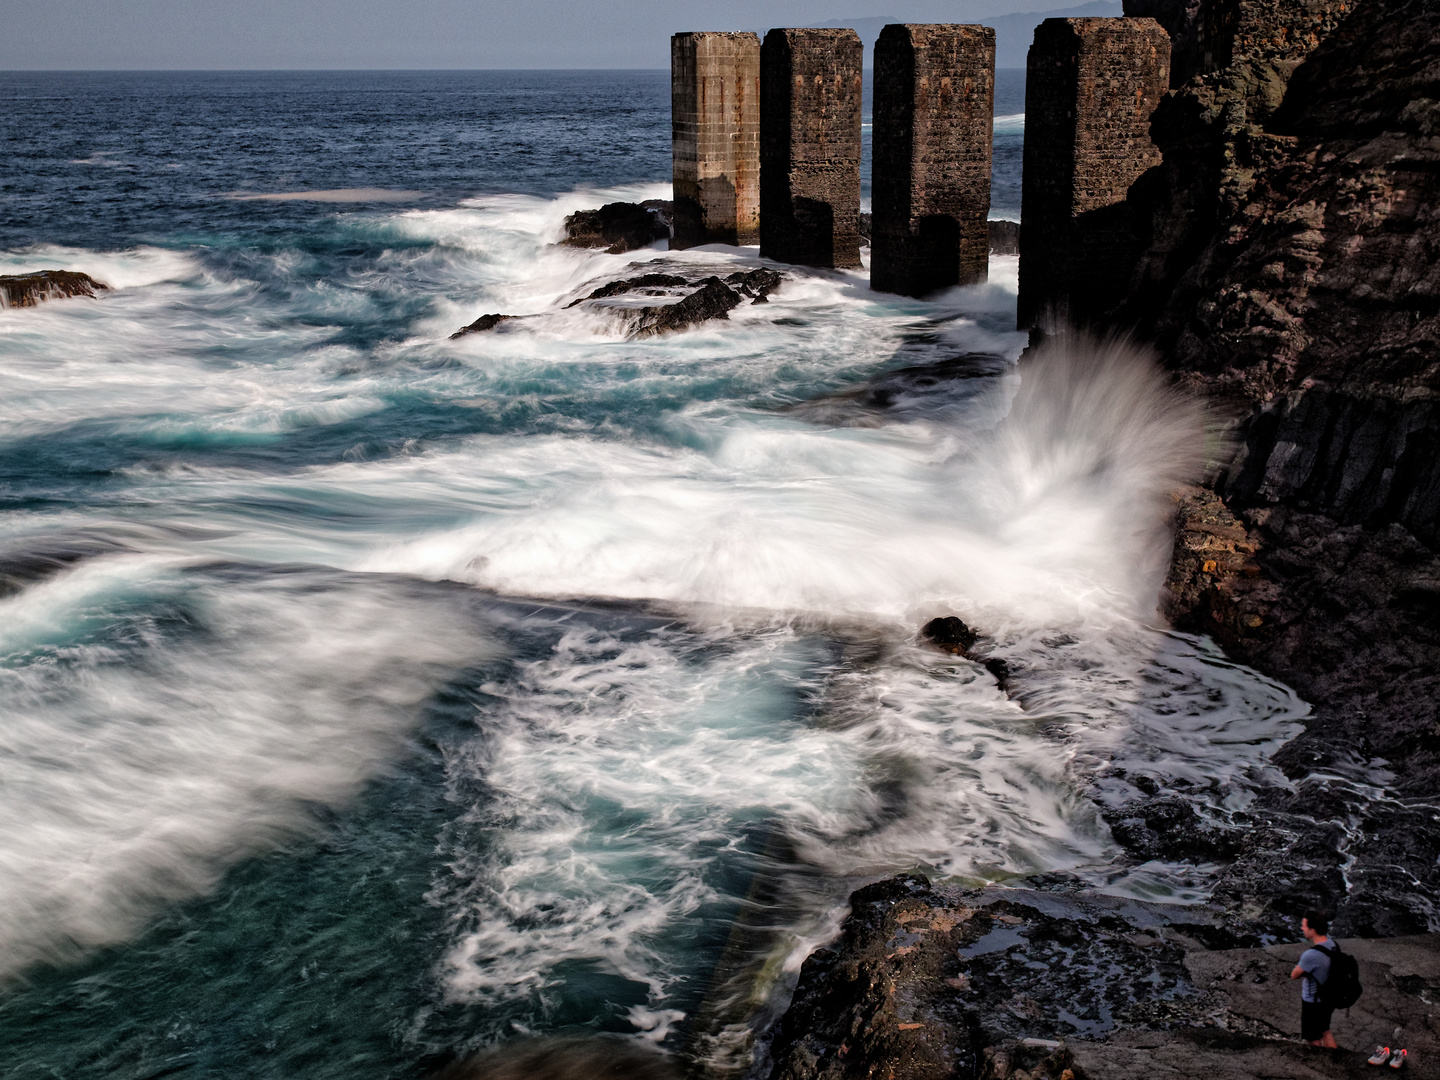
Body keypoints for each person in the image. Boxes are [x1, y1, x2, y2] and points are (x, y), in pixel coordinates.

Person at [1291, 908, 1339, 1048]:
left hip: (1312, 1002)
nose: (1302, 928)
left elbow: (1294, 975)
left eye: (1304, 926)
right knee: (1325, 1031)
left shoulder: (1310, 955)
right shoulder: (1333, 945)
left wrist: (1302, 968)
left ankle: (1319, 1064)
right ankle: (1336, 1059)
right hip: (1327, 999)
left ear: (1312, 930)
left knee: (1313, 1039)